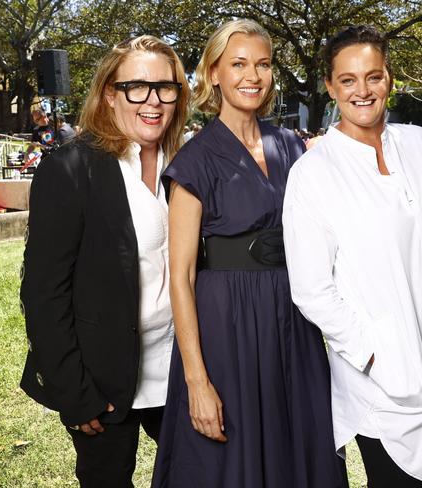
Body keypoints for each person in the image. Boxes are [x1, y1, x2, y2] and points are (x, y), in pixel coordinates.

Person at [283, 25, 422, 487]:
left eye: (373, 76)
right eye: (348, 80)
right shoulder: (313, 173)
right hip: (383, 373)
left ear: (389, 78)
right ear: (330, 87)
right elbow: (312, 290)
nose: (362, 90)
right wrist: (376, 353)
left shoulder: (421, 144)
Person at [151, 19, 347, 488]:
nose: (251, 76)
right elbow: (179, 277)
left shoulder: (291, 146)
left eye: (262, 64)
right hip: (226, 328)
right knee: (229, 458)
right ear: (213, 73)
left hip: (292, 320)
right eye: (238, 64)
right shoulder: (194, 161)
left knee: (300, 443)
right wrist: (197, 381)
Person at [20, 35, 189, 487]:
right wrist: (75, 394)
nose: (152, 100)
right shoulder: (72, 167)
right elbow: (43, 292)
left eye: (165, 87)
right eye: (136, 87)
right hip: (103, 377)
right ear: (110, 95)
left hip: (180, 368)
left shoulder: (188, 166)